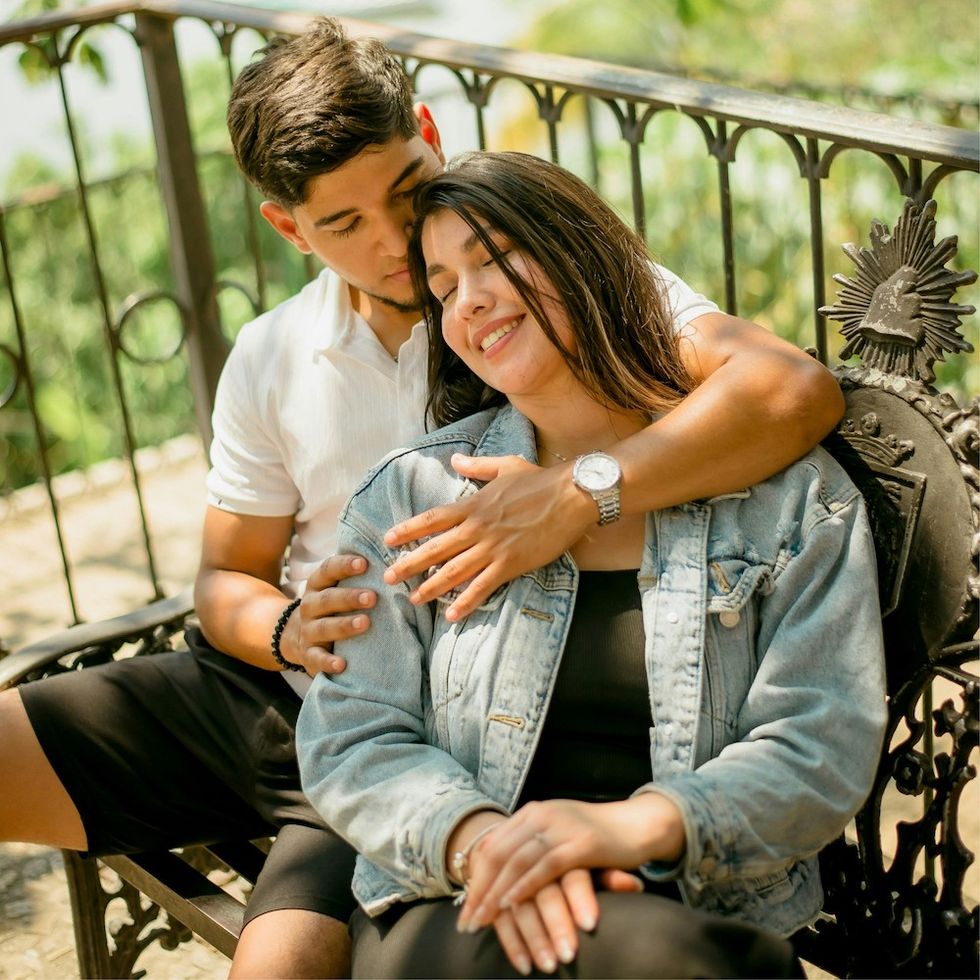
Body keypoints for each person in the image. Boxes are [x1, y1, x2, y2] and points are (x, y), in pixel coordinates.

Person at [0, 18, 845, 979]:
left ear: (432, 134)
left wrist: (577, 495)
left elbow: (792, 392)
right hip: (284, 686)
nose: (397, 244)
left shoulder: (547, 291)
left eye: (403, 193)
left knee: (278, 964)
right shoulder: (273, 354)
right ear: (288, 228)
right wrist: (287, 631)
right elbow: (223, 579)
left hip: (423, 719)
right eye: (342, 224)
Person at [296, 151, 888, 979]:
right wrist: (488, 844)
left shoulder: (791, 498)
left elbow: (819, 744)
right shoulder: (411, 496)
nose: (468, 300)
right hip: (457, 904)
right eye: (442, 287)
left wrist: (631, 829)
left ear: (580, 251)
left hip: (692, 908)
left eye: (494, 257)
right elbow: (354, 736)